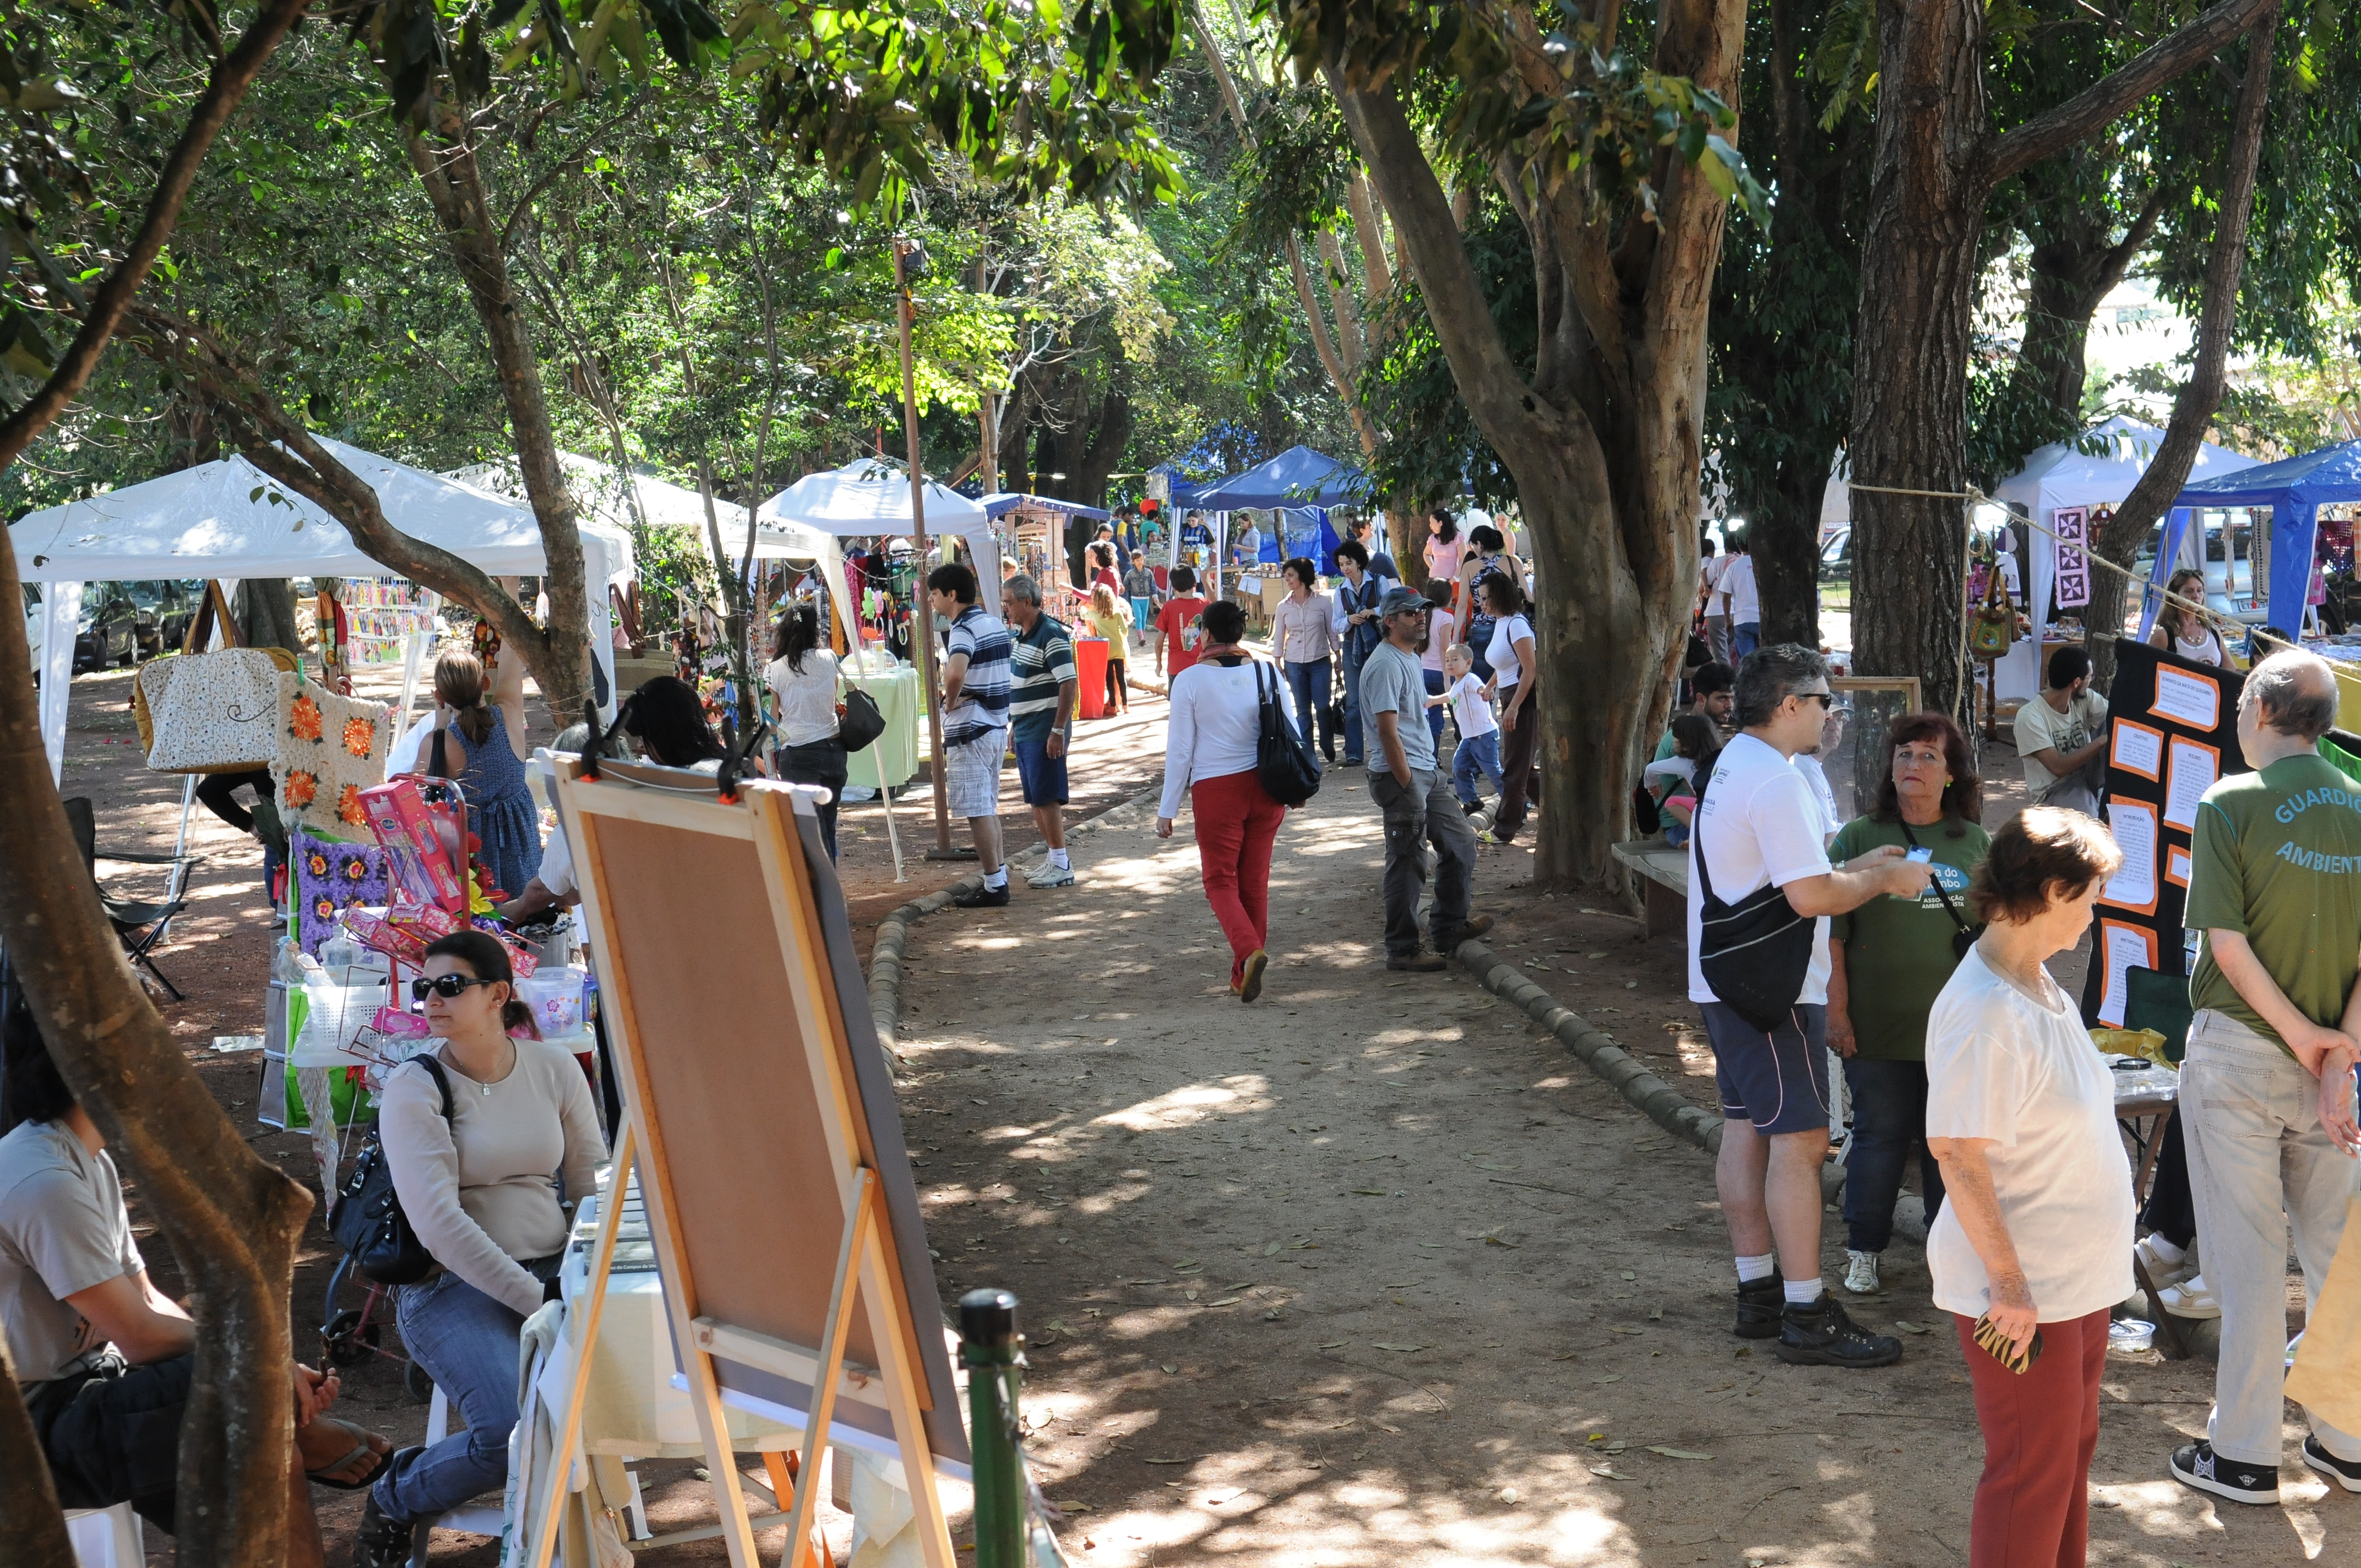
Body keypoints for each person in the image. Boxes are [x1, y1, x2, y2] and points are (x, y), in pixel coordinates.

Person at [2, 1019, 387, 1566]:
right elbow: (139, 1337)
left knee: (252, 1434)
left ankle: (290, 1429)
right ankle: (297, 1432)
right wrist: (266, 1365)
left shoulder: (86, 1158)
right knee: (260, 1423)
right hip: (28, 1426)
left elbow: (145, 1298)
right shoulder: (44, 1182)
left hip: (87, 1388)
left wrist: (267, 1365)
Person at [1690, 644, 1929, 1367]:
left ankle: (1759, 1290)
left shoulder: (1738, 761)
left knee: (1746, 1129)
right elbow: (1810, 897)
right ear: (1790, 703)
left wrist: (1855, 866)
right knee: (1800, 1142)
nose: (1832, 713)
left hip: (1728, 980)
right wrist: (1882, 883)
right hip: (1775, 990)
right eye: (1826, 700)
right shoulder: (1778, 779)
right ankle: (1805, 1310)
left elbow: (1786, 878)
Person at [2169, 648, 2361, 1505]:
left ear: (2258, 710)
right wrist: (2337, 1054)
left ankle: (2244, 1454)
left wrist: (2307, 1040)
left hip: (2241, 1058)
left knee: (2247, 1264)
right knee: (2336, 1259)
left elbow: (2227, 945)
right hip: (2331, 1072)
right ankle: (2348, 1442)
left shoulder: (2228, 801)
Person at [1923, 808, 2132, 1567]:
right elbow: (1956, 1152)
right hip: (2022, 1292)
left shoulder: (2038, 983)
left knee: (2065, 1456)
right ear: (2052, 891)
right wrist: (2008, 1282)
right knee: (2030, 1472)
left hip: (2073, 1279)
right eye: (2091, 897)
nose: (2094, 914)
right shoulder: (1984, 1010)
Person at [357, 931, 603, 1567]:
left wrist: (586, 1274)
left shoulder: (554, 1068)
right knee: (506, 1434)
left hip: (553, 1272)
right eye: (425, 987)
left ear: (498, 995)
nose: (432, 999)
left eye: (450, 985)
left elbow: (591, 1184)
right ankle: (396, 1493)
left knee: (633, 1386)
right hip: (450, 1287)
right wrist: (540, 1301)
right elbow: (439, 1225)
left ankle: (573, 1528)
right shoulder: (415, 1087)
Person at [1825, 713, 1989, 1296]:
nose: (1912, 765)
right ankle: (1863, 1251)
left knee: (1950, 1144)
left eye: (1927, 756)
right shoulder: (1858, 839)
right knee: (1880, 1135)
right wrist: (1836, 1011)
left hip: (1956, 1031)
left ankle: (1950, 1258)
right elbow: (1831, 935)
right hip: (1875, 1025)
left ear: (1951, 774)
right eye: (1903, 754)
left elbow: (1996, 937)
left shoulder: (1975, 843)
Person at [1157, 598, 1296, 1003]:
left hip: (1217, 790)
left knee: (1219, 880)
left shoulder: (1189, 680)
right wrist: (1297, 789)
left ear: (1205, 634)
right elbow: (1293, 730)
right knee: (1254, 882)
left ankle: (1249, 952)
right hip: (1268, 787)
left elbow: (1180, 750)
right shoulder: (1268, 672)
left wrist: (1168, 809)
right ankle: (1242, 974)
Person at [1362, 586, 1488, 972]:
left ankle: (1448, 928)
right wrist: (1406, 783)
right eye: (1411, 613)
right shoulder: (1385, 665)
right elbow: (1387, 732)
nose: (1421, 617)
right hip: (1402, 775)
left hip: (1425, 771)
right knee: (1408, 862)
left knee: (1461, 842)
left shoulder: (1410, 658)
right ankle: (1402, 949)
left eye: (1423, 611)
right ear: (1389, 621)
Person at [926, 563, 1016, 908]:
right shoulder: (993, 622)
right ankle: (998, 879)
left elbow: (955, 673)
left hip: (971, 729)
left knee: (978, 810)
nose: (931, 600)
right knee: (987, 807)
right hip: (994, 725)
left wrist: (949, 702)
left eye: (935, 594)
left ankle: (994, 884)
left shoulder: (963, 629)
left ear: (951, 595)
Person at [432, 649, 540, 901]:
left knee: (479, 918)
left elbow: (416, 796)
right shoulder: (511, 715)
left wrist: (439, 726)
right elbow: (512, 660)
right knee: (528, 911)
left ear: (439, 697)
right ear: (486, 683)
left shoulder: (440, 742)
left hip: (472, 866)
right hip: (521, 854)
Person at [1003, 575, 1080, 890]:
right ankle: (1054, 857)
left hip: (1044, 728)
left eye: (1009, 602)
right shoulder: (1021, 636)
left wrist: (1058, 730)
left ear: (1027, 601)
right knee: (1035, 797)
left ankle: (1061, 862)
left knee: (1047, 797)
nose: (1006, 608)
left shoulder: (1051, 634)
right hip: (1026, 728)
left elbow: (1069, 682)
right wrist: (1014, 724)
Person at [765, 603, 846, 859]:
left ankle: (822, 883)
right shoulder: (830, 658)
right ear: (815, 629)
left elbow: (772, 721)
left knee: (811, 831)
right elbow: (832, 696)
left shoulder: (775, 669)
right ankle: (831, 879)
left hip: (798, 753)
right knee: (828, 825)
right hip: (834, 750)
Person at [1475, 573, 1539, 846]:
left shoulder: (1517, 624)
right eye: (1480, 598)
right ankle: (1560, 809)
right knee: (1522, 766)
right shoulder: (1502, 623)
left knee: (1514, 768)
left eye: (1486, 598)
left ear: (1500, 596)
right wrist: (1491, 685)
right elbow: (1504, 663)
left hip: (1522, 699)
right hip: (1509, 695)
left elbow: (1530, 669)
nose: (1482, 604)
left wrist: (1514, 707)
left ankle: (1504, 830)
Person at [2012, 646, 2109, 816]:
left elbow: (2118, 717)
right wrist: (2101, 742)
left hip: (2088, 773)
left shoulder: (2085, 698)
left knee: (2114, 721)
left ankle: (2113, 790)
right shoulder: (2029, 717)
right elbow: (2058, 767)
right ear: (2077, 682)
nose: (2091, 682)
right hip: (2057, 788)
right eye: (2090, 677)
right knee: (2089, 821)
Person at [1332, 539, 1394, 769]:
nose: (1345, 568)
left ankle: (1388, 747)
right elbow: (1336, 624)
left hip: (1379, 644)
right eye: (1341, 565)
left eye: (1349, 563)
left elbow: (1390, 608)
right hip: (1352, 646)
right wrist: (1350, 619)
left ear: (1359, 562)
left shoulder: (1379, 582)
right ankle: (1354, 753)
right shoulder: (1341, 590)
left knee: (1383, 697)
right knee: (1354, 700)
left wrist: (1372, 612)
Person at [1269, 556, 1338, 761]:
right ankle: (1308, 756)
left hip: (1320, 661)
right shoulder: (1283, 606)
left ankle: (1327, 743)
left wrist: (1338, 656)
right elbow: (1279, 637)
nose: (1287, 580)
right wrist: (1277, 661)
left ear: (1303, 576)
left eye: (1291, 575)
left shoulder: (1323, 603)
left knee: (1323, 707)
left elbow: (1332, 632)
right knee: (1303, 711)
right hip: (1294, 663)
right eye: (1286, 576)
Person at [1650, 661, 1735, 805]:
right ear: (1701, 699)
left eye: (1732, 698)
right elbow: (1699, 795)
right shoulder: (1686, 736)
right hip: (1680, 817)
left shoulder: (1700, 729)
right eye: (1722, 698)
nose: (1730, 705)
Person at [1437, 643, 1501, 815]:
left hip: (1483, 734)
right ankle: (1471, 802)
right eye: (1447, 660)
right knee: (1460, 767)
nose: (1450, 663)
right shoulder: (1457, 684)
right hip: (1469, 737)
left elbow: (1480, 688)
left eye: (1454, 660)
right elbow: (1450, 697)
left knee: (1492, 770)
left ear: (1468, 662)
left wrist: (1485, 691)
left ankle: (1514, 801)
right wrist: (1431, 701)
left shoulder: (1471, 679)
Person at [617, 675, 730, 771]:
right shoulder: (712, 768)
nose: (641, 746)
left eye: (643, 738)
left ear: (665, 733)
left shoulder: (697, 776)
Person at [1645, 712, 1722, 848]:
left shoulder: (1683, 763)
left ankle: (1700, 835)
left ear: (1686, 745)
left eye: (1676, 738)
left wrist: (1652, 785)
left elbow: (1650, 769)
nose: (1673, 741)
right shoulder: (1722, 756)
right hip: (1722, 813)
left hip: (1706, 813)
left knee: (1672, 802)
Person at [1457, 524, 1522, 679]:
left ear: (1479, 545)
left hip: (1482, 629)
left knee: (1484, 685)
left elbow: (1462, 605)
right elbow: (1528, 596)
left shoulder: (1469, 567)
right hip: (1511, 627)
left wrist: (1455, 640)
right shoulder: (1513, 563)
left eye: (1473, 545)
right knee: (1512, 680)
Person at [2147, 567, 2233, 667]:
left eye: (2199, 591)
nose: (2196, 596)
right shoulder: (2163, 635)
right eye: (2188, 591)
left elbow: (2231, 669)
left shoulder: (2213, 631)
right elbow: (2151, 670)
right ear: (2174, 597)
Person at [1154, 565, 1210, 683]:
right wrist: (1205, 581)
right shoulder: (1205, 605)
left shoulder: (1169, 607)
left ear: (1174, 588)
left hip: (1176, 668)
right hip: (1200, 666)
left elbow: (1159, 642)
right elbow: (1217, 605)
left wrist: (1159, 663)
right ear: (1195, 583)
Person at [1418, 578, 1456, 747]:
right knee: (1457, 713)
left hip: (1425, 672)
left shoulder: (1423, 615)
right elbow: (1444, 649)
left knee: (1433, 716)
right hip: (1443, 672)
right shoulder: (1446, 618)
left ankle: (1432, 756)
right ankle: (1466, 750)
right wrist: (1447, 679)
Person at [1085, 584, 1133, 717]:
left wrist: (1083, 605)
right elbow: (1125, 630)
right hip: (1119, 649)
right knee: (1121, 678)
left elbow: (1083, 615)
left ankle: (1113, 706)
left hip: (1106, 651)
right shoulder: (1117, 613)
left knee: (1109, 679)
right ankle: (1125, 705)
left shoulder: (1096, 615)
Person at [1720, 533, 1760, 659]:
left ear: (1739, 546)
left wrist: (1728, 620)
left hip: (1742, 620)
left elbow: (1726, 597)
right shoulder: (1763, 565)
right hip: (1763, 619)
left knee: (1747, 662)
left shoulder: (1733, 567)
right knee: (1767, 661)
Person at [1698, 536, 1731, 666]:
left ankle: (1725, 675)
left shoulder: (1712, 562)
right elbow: (1704, 571)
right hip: (1731, 611)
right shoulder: (1708, 560)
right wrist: (1706, 587)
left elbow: (1704, 573)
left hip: (1714, 610)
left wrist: (1704, 588)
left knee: (1720, 653)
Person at [1347, 515, 1398, 581]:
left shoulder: (1366, 547)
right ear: (1362, 530)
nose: (1373, 528)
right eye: (1370, 526)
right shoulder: (1357, 550)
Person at [1424, 508, 1465, 586]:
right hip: (1434, 578)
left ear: (1440, 523)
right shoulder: (1433, 538)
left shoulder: (1458, 537)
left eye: (1432, 523)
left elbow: (1463, 559)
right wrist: (1432, 567)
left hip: (1451, 579)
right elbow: (1426, 554)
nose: (1430, 526)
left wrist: (1455, 577)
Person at [1122, 558, 1158, 646]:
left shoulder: (1148, 573)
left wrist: (1155, 596)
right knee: (1138, 617)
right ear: (1133, 562)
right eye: (1137, 560)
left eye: (1141, 560)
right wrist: (1122, 593)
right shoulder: (1130, 574)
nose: (1140, 562)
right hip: (1135, 598)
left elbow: (1153, 585)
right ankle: (1141, 637)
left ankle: (1143, 636)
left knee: (1144, 618)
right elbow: (1125, 587)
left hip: (1146, 598)